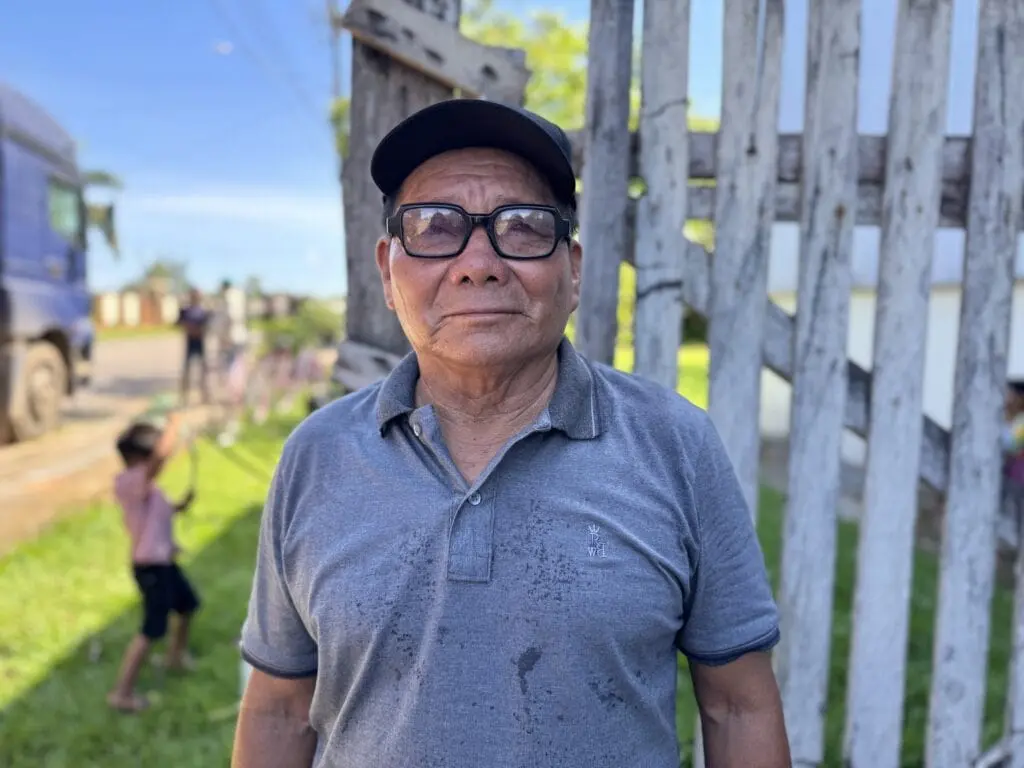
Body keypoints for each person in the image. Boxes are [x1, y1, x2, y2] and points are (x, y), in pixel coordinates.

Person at [233, 99, 789, 767]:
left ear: (572, 269)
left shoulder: (675, 446)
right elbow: (280, 708)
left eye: (521, 227)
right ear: (387, 272)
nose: (478, 264)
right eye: (434, 227)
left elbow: (737, 706)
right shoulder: (317, 456)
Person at [108, 410, 200, 712]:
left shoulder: (146, 486)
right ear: (138, 456)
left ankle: (175, 656)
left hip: (165, 563)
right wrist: (174, 424)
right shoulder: (129, 482)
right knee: (152, 628)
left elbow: (159, 510)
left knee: (187, 605)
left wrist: (179, 506)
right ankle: (122, 693)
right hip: (150, 567)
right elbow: (160, 458)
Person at [177, 287, 211, 405]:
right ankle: (184, 396)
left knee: (203, 371)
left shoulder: (203, 311)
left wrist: (199, 329)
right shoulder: (185, 310)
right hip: (190, 342)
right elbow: (179, 323)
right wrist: (188, 327)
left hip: (200, 342)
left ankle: (205, 395)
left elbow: (207, 325)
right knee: (187, 370)